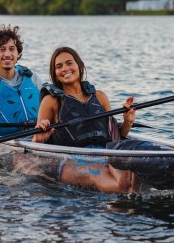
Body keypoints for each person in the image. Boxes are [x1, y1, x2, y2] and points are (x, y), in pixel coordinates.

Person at [27, 46, 139, 192]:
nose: (65, 69)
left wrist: (127, 121)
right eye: (59, 66)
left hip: (104, 155)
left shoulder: (100, 97)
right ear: (55, 73)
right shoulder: (51, 101)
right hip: (69, 160)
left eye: (69, 63)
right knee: (121, 185)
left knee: (132, 176)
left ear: (79, 65)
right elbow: (37, 147)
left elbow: (116, 138)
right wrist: (39, 138)